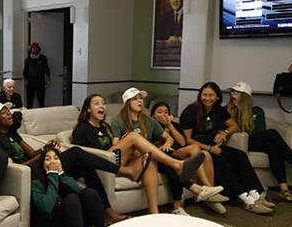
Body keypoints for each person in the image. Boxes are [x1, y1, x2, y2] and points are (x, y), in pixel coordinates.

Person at [0, 101, 132, 225]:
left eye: (9, 112)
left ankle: (108, 212)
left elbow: (32, 153)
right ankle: (122, 171)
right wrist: (42, 157)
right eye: (4, 114)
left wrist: (46, 148)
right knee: (75, 152)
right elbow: (12, 168)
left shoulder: (13, 133)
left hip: (40, 165)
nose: (9, 115)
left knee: (85, 166)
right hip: (29, 174)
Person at [71, 93, 205, 215]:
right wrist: (127, 143)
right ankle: (177, 164)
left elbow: (114, 147)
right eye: (97, 103)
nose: (102, 106)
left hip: (116, 160)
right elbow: (83, 157)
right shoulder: (82, 129)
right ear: (88, 109)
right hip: (103, 165)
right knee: (133, 136)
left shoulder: (105, 127)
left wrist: (129, 150)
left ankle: (154, 212)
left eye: (103, 103)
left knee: (149, 158)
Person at [111, 88, 224, 216]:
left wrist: (166, 144)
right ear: (127, 103)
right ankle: (192, 184)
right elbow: (116, 147)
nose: (140, 101)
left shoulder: (148, 121)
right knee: (149, 151)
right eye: (135, 99)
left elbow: (169, 138)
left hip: (144, 158)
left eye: (141, 98)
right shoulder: (118, 122)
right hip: (126, 160)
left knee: (154, 157)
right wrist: (133, 150)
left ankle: (156, 212)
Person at [179, 81, 274, 215]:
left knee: (239, 155)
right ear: (200, 96)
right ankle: (247, 200)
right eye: (204, 95)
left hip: (213, 145)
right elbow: (188, 139)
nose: (207, 98)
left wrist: (224, 132)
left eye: (211, 95)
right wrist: (210, 149)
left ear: (217, 97)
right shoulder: (191, 111)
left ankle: (256, 195)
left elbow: (234, 125)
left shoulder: (217, 109)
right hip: (197, 148)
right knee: (221, 163)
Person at [31, 146, 108, 227]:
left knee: (89, 193)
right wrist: (53, 177)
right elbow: (47, 207)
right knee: (71, 199)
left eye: (56, 158)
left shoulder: (65, 178)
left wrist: (62, 176)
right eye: (48, 159)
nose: (53, 162)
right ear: (42, 164)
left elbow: (83, 195)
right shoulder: (36, 184)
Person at [227, 81, 292, 202]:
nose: (232, 94)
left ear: (245, 96)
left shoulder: (257, 111)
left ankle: (284, 189)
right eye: (232, 91)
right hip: (240, 144)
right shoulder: (227, 110)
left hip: (256, 142)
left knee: (272, 147)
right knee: (271, 133)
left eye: (236, 92)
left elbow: (260, 131)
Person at [150, 101, 229, 214]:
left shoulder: (173, 125)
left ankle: (210, 194)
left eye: (166, 112)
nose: (163, 114)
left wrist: (169, 125)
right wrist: (165, 134)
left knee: (205, 154)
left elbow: (182, 142)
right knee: (195, 149)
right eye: (160, 112)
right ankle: (206, 191)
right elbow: (153, 147)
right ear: (153, 115)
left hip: (178, 152)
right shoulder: (152, 126)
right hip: (165, 155)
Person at [22, 42, 51, 108]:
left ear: (38, 49)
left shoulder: (43, 58)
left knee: (41, 101)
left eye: (36, 48)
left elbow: (47, 69)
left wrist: (49, 79)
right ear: (31, 49)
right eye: (33, 48)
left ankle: (42, 115)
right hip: (30, 83)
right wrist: (25, 80)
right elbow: (25, 71)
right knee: (29, 101)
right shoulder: (28, 60)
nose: (34, 50)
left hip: (40, 83)